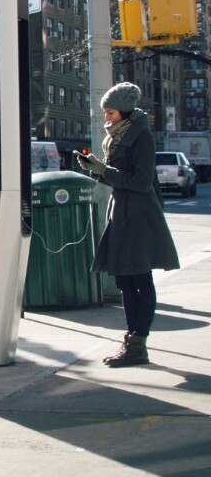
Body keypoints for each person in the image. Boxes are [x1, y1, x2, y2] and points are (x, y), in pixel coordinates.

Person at [76, 82, 180, 367]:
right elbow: (118, 177)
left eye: (110, 113)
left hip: (139, 216)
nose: (106, 118)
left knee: (138, 280)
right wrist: (96, 169)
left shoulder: (141, 136)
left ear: (123, 111)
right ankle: (133, 343)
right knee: (124, 280)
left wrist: (104, 170)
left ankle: (137, 345)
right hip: (122, 212)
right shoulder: (116, 137)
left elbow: (141, 182)